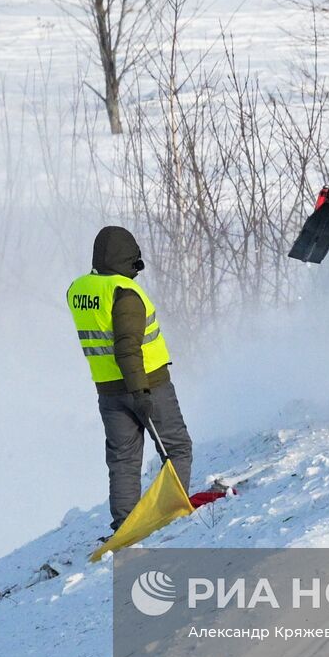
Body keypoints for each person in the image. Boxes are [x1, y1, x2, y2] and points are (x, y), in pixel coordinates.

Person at [66, 226, 192, 533]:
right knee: (177, 448)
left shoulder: (79, 289)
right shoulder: (125, 293)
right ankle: (171, 513)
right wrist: (141, 393)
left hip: (108, 391)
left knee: (123, 460)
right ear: (126, 258)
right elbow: (127, 347)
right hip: (148, 384)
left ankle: (125, 527)